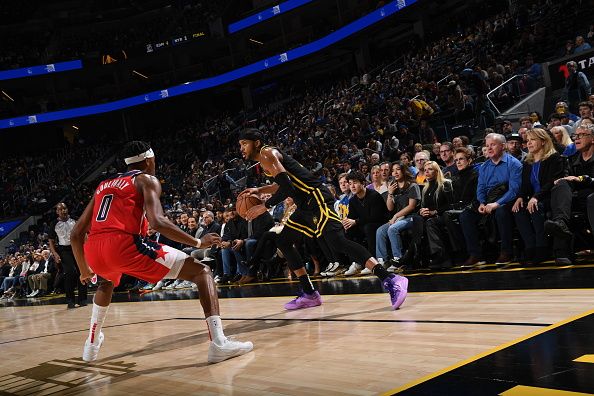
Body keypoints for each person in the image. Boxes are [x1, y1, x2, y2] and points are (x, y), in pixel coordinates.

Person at [70, 141, 253, 364]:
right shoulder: (146, 179)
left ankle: (90, 345)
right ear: (149, 160)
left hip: (95, 250)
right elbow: (157, 221)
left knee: (105, 282)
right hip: (124, 245)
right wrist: (197, 241)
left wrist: (84, 269)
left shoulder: (103, 185)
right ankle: (219, 344)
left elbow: (76, 233)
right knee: (202, 272)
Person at [238, 129, 408, 310]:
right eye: (240, 145)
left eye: (244, 144)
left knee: (338, 242)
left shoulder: (267, 154)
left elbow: (286, 186)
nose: (241, 148)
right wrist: (259, 191)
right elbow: (285, 183)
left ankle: (391, 279)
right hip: (304, 204)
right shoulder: (266, 159)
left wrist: (264, 206)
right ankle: (309, 292)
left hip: (317, 197)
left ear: (256, 142)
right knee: (284, 241)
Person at [49, 203, 87, 309]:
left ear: (67, 209)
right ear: (57, 212)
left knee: (82, 272)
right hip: (64, 250)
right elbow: (51, 241)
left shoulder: (75, 219)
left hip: (77, 247)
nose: (63, 211)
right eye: (60, 209)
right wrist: (55, 253)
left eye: (64, 208)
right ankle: (70, 300)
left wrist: (86, 247)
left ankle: (82, 299)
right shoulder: (54, 223)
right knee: (70, 272)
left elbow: (83, 233)